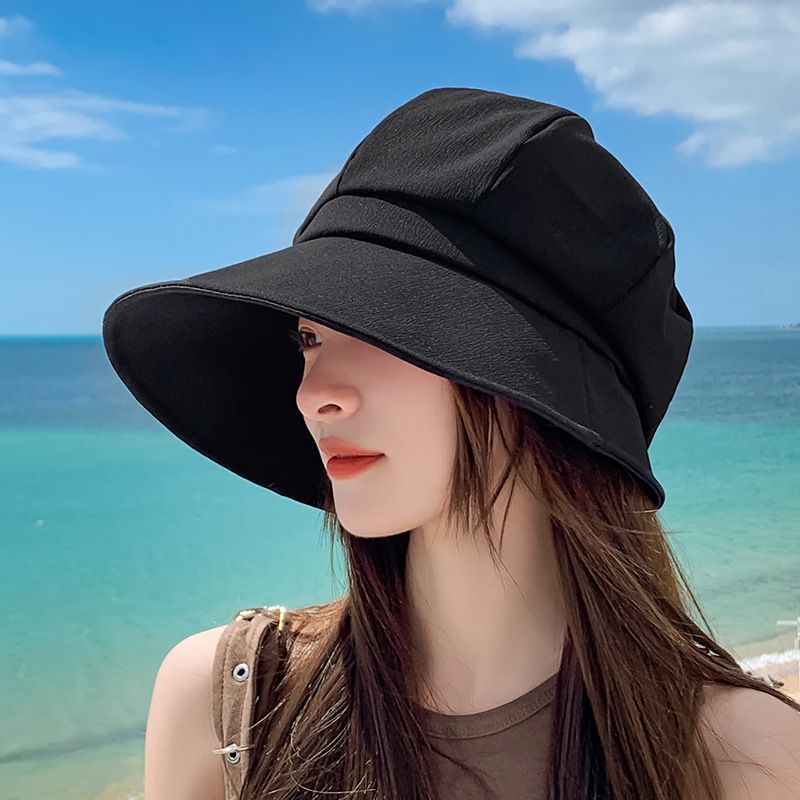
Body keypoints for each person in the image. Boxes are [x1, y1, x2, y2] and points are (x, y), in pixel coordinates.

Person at [103, 87, 800, 800]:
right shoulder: (231, 705)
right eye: (310, 337)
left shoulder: (746, 758)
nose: (315, 395)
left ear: (533, 388)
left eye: (378, 329)